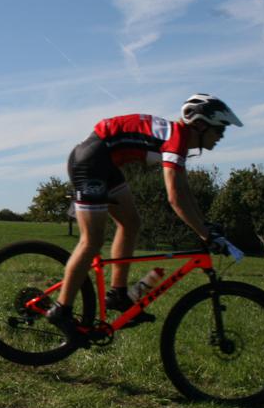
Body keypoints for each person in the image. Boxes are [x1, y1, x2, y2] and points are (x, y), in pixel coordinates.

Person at [47, 93, 242, 341]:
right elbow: (175, 198)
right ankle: (61, 310)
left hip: (105, 162)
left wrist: (205, 226)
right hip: (90, 162)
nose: (222, 136)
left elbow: (184, 191)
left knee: (131, 223)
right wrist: (204, 233)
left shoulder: (178, 139)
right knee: (92, 240)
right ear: (200, 125)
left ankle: (118, 295)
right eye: (220, 129)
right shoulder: (176, 139)